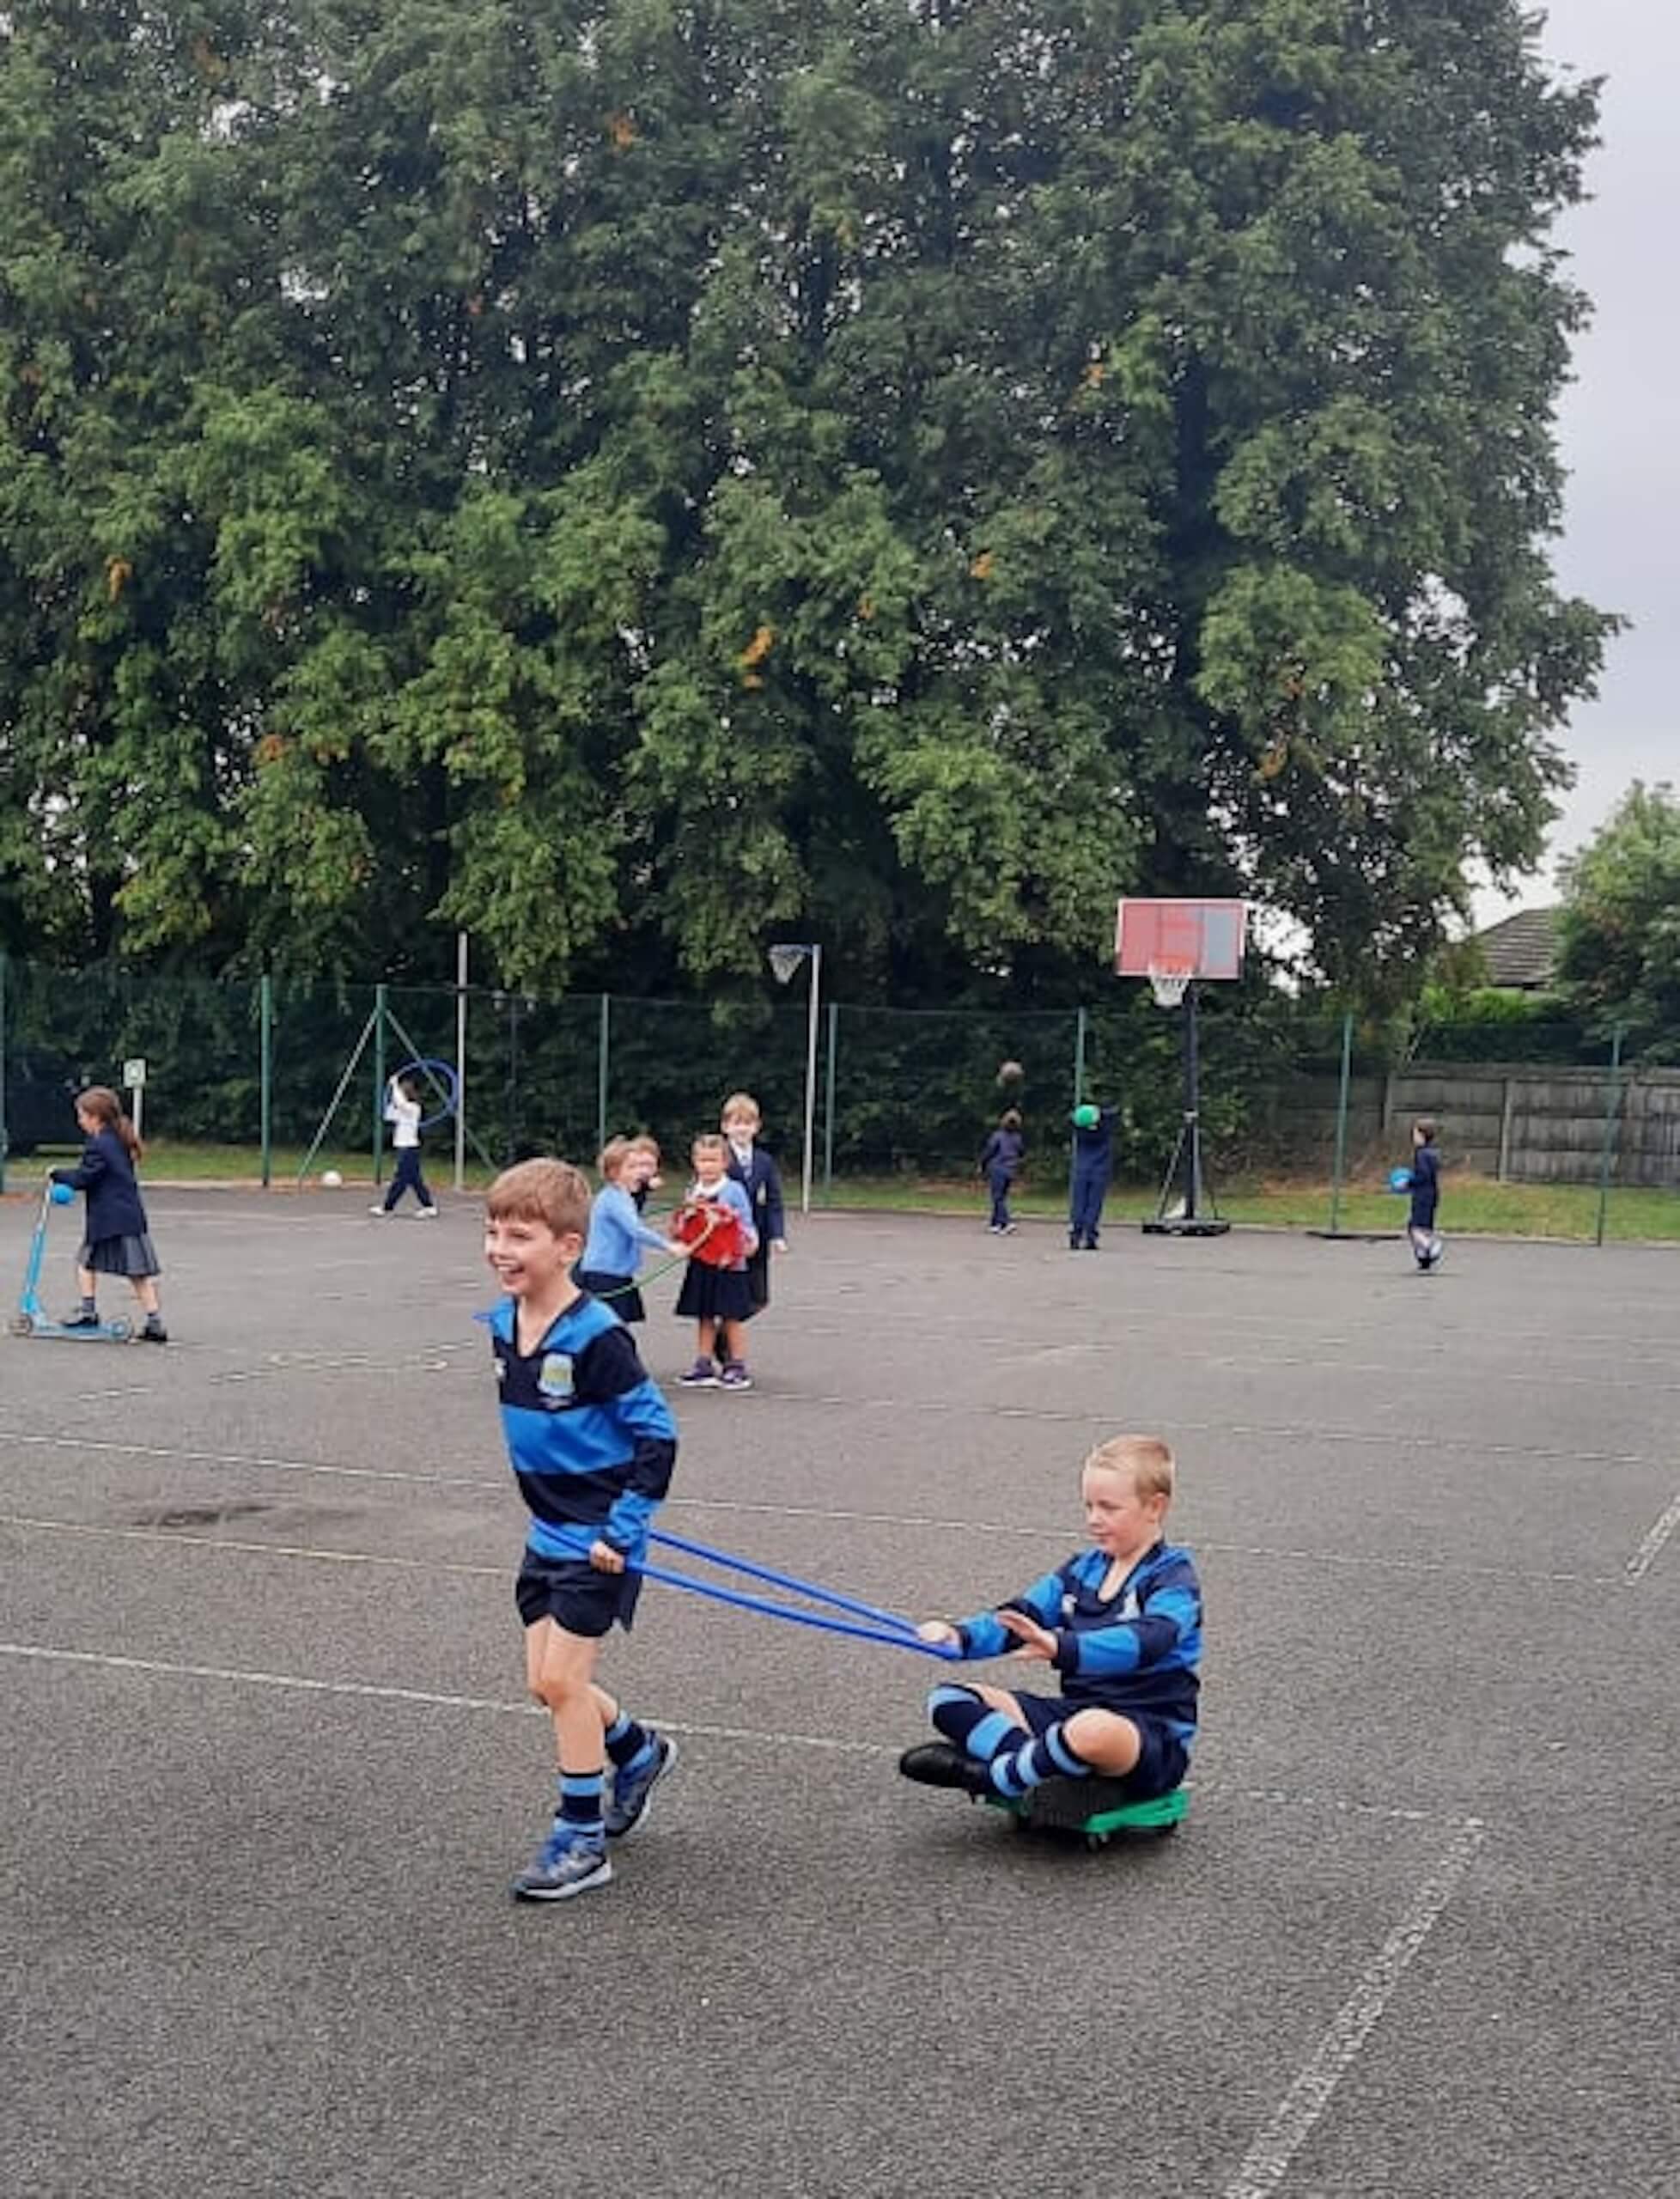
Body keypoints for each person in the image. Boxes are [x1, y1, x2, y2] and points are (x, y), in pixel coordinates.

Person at [484, 1158, 680, 1902]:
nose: (502, 1249)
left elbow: (657, 1437)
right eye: (494, 1232)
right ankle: (638, 1752)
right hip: (548, 1533)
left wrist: (624, 1529)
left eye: (521, 1236)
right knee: (545, 1684)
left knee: (565, 1681)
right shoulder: (504, 1324)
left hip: (597, 1539)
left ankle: (582, 1838)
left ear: (568, 1247)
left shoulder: (597, 1336)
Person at [898, 1435, 1200, 1806]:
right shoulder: (1081, 1569)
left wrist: (1062, 1647)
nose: (1094, 1519)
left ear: (1155, 1507)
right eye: (1088, 1505)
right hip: (1074, 1717)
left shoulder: (1173, 1578)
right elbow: (1019, 1617)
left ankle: (995, 1776)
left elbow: (1148, 1640)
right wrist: (958, 1636)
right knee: (947, 1698)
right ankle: (1036, 1767)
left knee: (1091, 1729)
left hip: (1146, 1737)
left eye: (1109, 1508)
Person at [50, 1086, 167, 1343]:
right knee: (137, 1272)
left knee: (85, 1262)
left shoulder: (99, 1145)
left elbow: (85, 1177)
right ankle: (154, 1322)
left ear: (95, 1117)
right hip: (128, 1215)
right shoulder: (117, 1139)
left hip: (110, 1219)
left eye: (81, 1116)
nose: (79, 1121)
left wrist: (57, 1174)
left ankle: (89, 1312)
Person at [673, 1133, 758, 1389]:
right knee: (705, 1314)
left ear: (725, 1162)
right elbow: (684, 1225)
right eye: (702, 1160)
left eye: (713, 1160)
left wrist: (743, 1244)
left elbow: (746, 1223)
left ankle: (736, 1365)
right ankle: (703, 1363)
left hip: (728, 1264)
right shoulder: (693, 1190)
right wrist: (685, 1220)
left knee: (731, 1316)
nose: (707, 1166)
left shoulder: (733, 1190)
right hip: (702, 1262)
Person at [573, 1136, 679, 1324]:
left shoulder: (624, 1196)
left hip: (618, 1273)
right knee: (606, 1328)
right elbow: (635, 1230)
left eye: (640, 1167)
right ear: (614, 1173)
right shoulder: (613, 1199)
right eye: (632, 1167)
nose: (639, 1172)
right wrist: (669, 1246)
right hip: (603, 1275)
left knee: (617, 1328)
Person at [719, 1091, 786, 1364]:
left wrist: (778, 1234)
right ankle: (725, 1349)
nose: (742, 1128)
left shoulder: (764, 1161)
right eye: (736, 1122)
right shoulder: (719, 1157)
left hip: (757, 1237)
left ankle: (725, 1332)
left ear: (756, 1127)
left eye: (747, 1123)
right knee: (732, 1293)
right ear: (725, 1127)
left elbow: (774, 1199)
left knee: (759, 1298)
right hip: (727, 1239)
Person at [372, 1074, 438, 1217]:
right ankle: (429, 1206)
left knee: (400, 1179)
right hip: (404, 1147)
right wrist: (391, 1100)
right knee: (415, 1180)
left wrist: (394, 1085)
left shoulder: (414, 1108)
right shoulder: (402, 1110)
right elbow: (388, 1116)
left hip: (409, 1148)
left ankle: (387, 1207)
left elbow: (401, 1103)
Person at [1068, 1101, 1119, 1251]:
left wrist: (1085, 1115)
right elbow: (1114, 1112)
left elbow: (1071, 1119)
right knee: (1093, 1205)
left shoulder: (1080, 1131)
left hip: (1081, 1169)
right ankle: (1090, 1235)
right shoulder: (1104, 1130)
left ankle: (1075, 1234)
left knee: (1078, 1203)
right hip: (1099, 1170)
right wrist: (1099, 1113)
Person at [979, 1108, 1025, 1234]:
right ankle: (995, 1223)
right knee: (1001, 1197)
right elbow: (1021, 1152)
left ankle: (1006, 1222)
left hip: (998, 1169)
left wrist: (982, 1164)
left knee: (997, 1197)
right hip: (1011, 1170)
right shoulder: (1017, 1138)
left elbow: (989, 1151)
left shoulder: (998, 1136)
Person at [1407, 1118, 1443, 1271]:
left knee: (1414, 1227)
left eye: (1415, 1134)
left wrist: (1409, 1182)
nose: (1413, 1138)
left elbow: (1423, 1175)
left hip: (1422, 1195)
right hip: (1433, 1194)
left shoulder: (1421, 1154)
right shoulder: (1432, 1153)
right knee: (1426, 1228)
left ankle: (1431, 1246)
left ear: (1422, 1136)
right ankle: (1424, 1259)